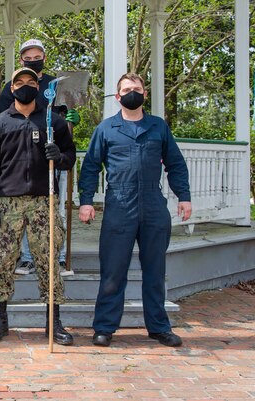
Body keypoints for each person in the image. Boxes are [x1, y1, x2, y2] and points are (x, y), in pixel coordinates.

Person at [78, 73, 192, 348]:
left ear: (144, 93)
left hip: (154, 205)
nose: (132, 93)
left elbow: (175, 163)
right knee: (113, 271)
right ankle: (104, 327)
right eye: (126, 89)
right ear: (118, 97)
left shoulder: (158, 127)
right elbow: (91, 166)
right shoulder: (106, 129)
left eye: (136, 89)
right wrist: (86, 201)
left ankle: (158, 327)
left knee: (154, 271)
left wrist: (184, 196)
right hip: (120, 205)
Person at [0, 67, 76, 345]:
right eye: (19, 82)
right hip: (8, 203)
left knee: (48, 262)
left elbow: (70, 156)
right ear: (11, 89)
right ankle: (0, 319)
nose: (24, 86)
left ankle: (53, 322)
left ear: (38, 86)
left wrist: (58, 157)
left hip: (43, 201)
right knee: (4, 262)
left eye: (30, 82)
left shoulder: (51, 122)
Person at [0, 39, 80, 275]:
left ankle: (59, 257)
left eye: (36, 57)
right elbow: (3, 113)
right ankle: (28, 257)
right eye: (27, 58)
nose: (33, 61)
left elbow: (67, 109)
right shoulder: (11, 86)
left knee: (57, 207)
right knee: (23, 208)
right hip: (23, 156)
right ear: (21, 59)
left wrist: (70, 118)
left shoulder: (57, 84)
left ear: (44, 56)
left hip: (52, 155)